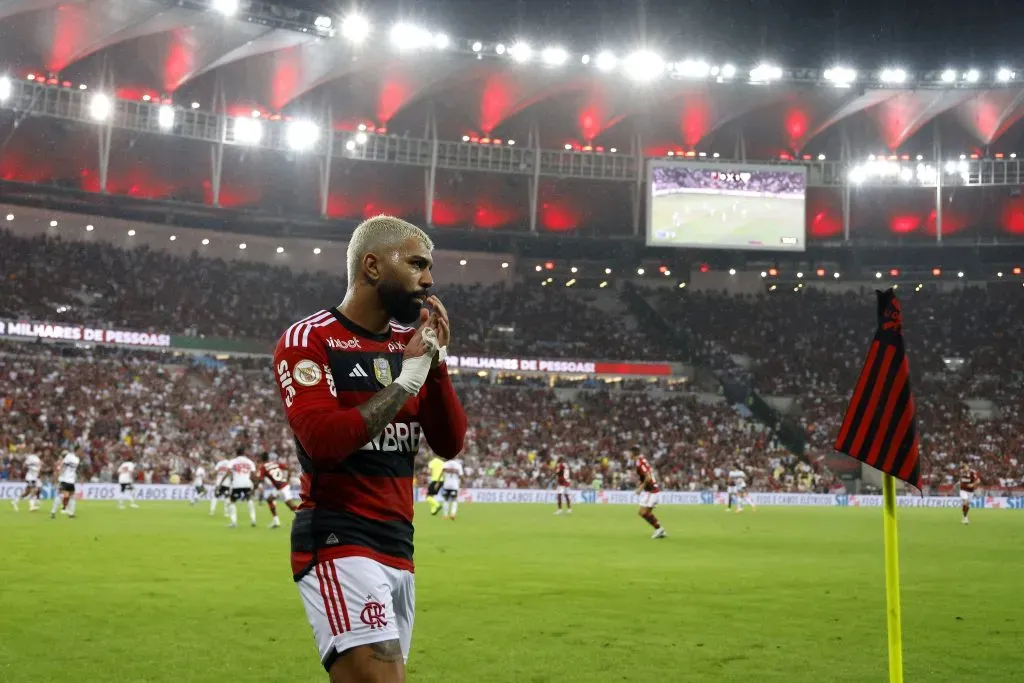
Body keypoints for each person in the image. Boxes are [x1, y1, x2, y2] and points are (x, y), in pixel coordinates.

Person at [273, 215, 466, 682]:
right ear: (374, 266)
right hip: (339, 537)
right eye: (417, 264)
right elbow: (321, 442)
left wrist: (435, 365)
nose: (429, 279)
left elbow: (449, 444)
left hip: (399, 546)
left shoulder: (409, 344)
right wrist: (408, 380)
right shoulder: (310, 340)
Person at [630, 445, 666, 539]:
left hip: (651, 491)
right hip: (651, 490)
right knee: (647, 513)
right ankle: (659, 530)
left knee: (642, 512)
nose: (628, 454)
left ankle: (659, 529)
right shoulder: (641, 460)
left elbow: (648, 477)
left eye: (629, 452)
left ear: (633, 453)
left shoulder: (640, 463)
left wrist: (641, 488)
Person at [258, 452, 299, 529]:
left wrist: (260, 486)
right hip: (280, 487)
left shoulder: (263, 467)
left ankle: (305, 518)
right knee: (269, 499)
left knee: (291, 506)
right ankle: (276, 522)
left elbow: (261, 478)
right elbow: (288, 468)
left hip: (283, 488)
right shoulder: (275, 463)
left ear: (261, 459)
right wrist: (288, 479)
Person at [226, 448, 257, 528]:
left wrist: (232, 478)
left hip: (237, 483)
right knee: (249, 500)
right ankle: (253, 520)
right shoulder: (250, 461)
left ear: (236, 453)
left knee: (232, 502)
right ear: (244, 453)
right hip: (247, 483)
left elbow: (229, 472)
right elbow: (254, 474)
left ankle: (233, 522)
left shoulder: (233, 461)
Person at [51, 445, 80, 519]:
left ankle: (71, 513)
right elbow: (61, 467)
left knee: (71, 496)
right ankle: (53, 512)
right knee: (62, 495)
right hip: (64, 480)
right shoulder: (69, 457)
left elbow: (73, 470)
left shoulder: (77, 459)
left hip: (71, 480)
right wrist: (58, 477)